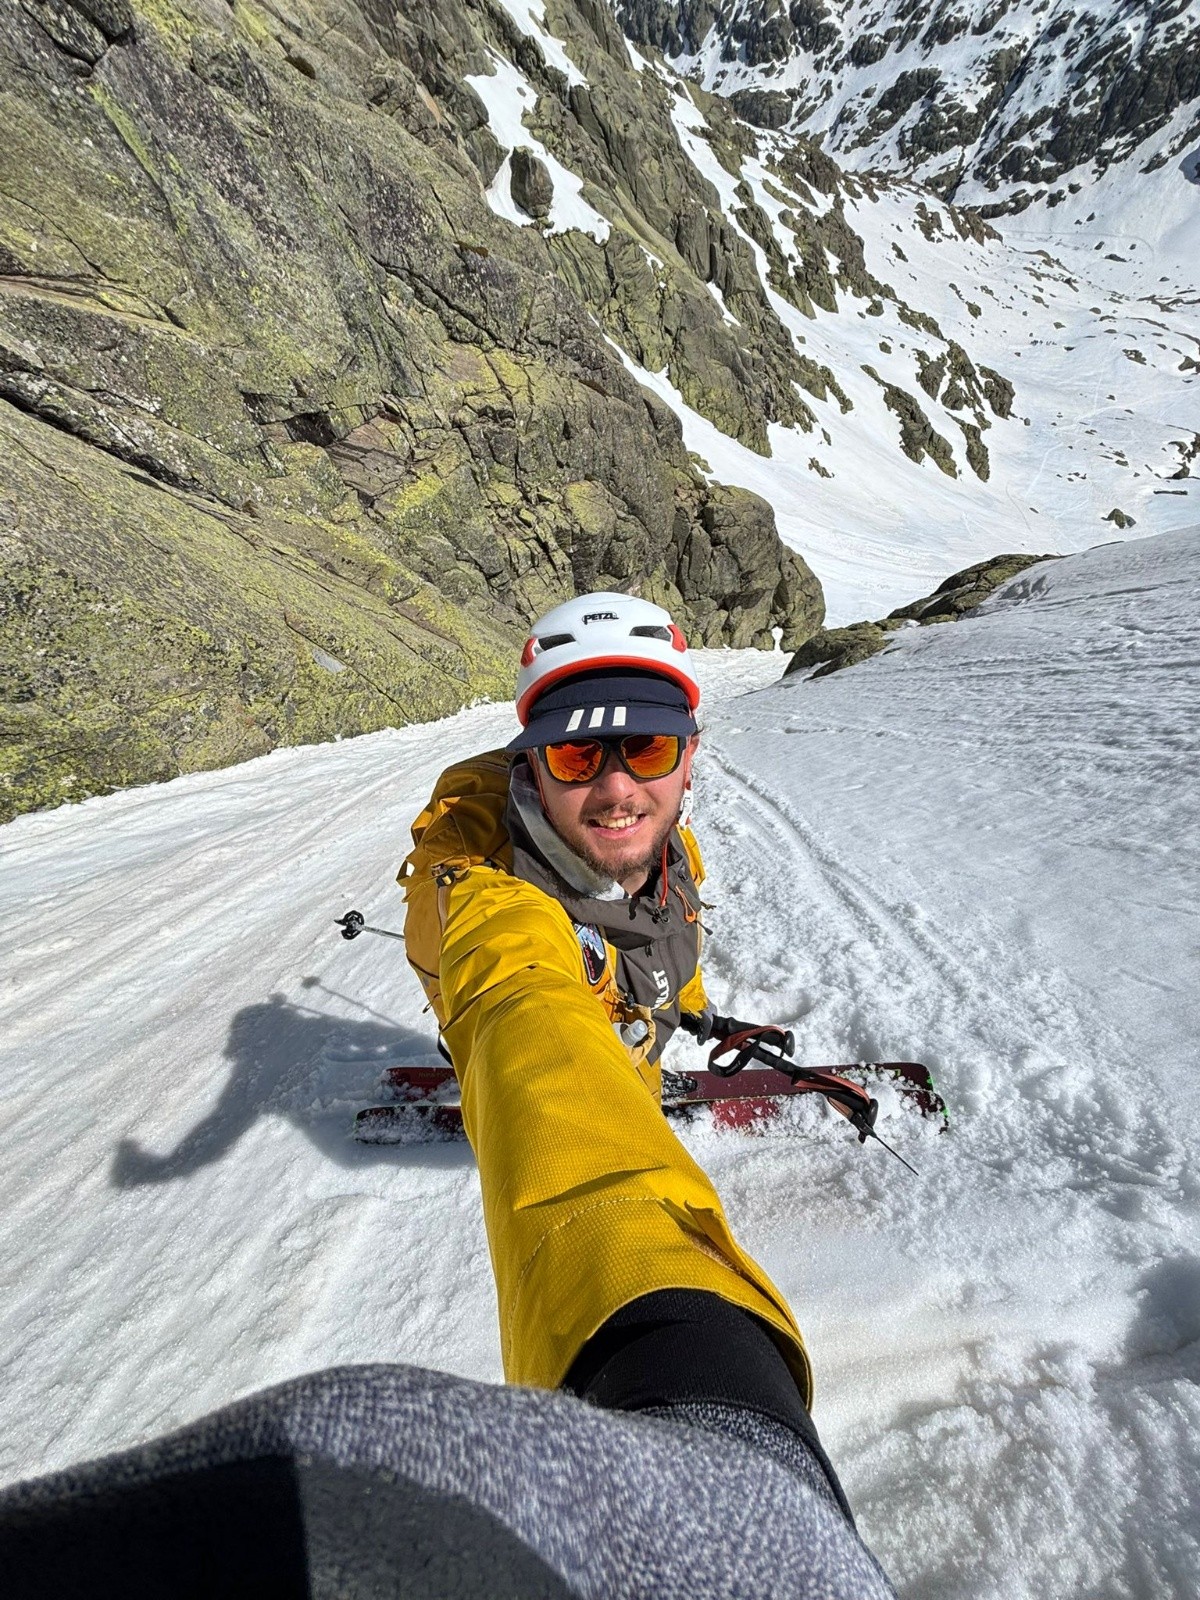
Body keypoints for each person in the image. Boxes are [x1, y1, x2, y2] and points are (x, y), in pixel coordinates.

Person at [0, 593, 896, 1598]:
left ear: (689, 754)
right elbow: (527, 1012)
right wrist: (691, 1371)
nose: (613, 789)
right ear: (530, 761)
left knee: (619, 1021)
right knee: (566, 1051)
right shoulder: (484, 902)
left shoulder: (671, 851)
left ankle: (631, 1060)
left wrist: (689, 1010)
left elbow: (668, 938)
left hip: (620, 1013)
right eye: (574, 756)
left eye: (645, 749)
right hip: (552, 1033)